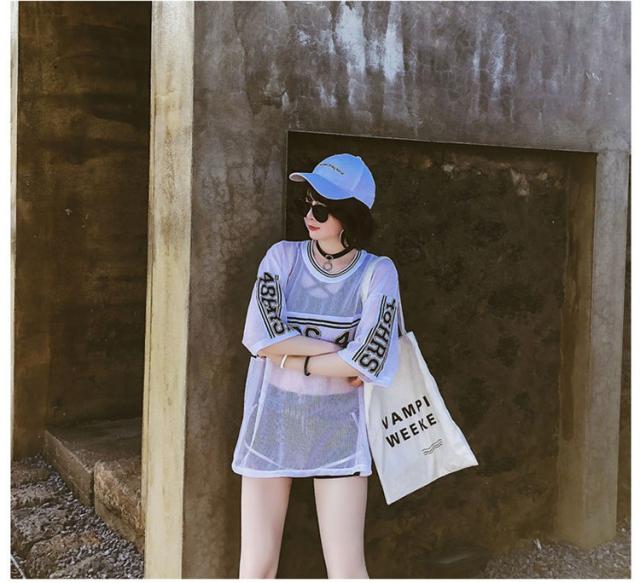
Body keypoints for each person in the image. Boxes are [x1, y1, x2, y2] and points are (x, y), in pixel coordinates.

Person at [231, 153, 401, 578]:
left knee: (346, 570)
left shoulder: (377, 272)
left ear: (350, 216)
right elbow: (260, 338)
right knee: (256, 567)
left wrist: (294, 359)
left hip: (340, 428)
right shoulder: (282, 258)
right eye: (306, 204)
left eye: (322, 210)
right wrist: (337, 354)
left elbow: (371, 359)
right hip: (272, 420)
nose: (309, 216)